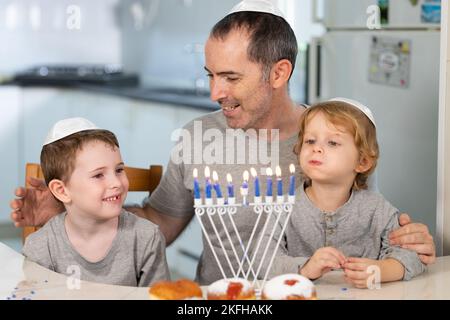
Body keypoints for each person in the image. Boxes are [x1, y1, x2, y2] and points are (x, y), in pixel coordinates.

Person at [10, 0, 435, 285]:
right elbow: (159, 223)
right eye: (211, 74)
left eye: (231, 77)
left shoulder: (334, 139)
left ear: (279, 73)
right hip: (221, 301)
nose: (216, 92)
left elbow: (369, 224)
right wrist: (71, 214)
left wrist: (408, 242)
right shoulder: (199, 137)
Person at [255, 99, 426, 288]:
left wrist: (381, 270)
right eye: (310, 140)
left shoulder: (377, 209)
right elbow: (261, 260)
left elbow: (414, 256)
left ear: (362, 162)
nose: (316, 148)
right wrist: (304, 268)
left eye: (333, 143)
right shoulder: (284, 207)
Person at [22, 118, 170, 287]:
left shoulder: (147, 237)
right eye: (98, 175)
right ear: (62, 191)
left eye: (119, 170)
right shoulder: (41, 247)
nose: (116, 183)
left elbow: (161, 297)